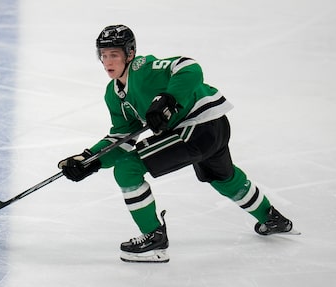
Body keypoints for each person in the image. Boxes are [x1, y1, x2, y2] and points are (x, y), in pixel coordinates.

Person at [58, 24, 294, 263]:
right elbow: (123, 137)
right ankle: (272, 218)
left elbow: (189, 67)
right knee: (223, 178)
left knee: (128, 169)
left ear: (130, 54)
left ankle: (154, 238)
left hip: (198, 127)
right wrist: (91, 160)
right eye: (104, 55)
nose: (108, 60)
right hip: (212, 128)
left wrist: (169, 98)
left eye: (114, 54)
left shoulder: (143, 68)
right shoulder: (113, 94)